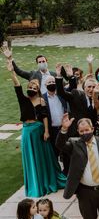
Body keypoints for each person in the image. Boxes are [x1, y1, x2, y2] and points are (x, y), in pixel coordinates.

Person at [7, 61, 67, 197]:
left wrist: (46, 131)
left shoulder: (41, 101)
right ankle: (36, 183)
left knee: (44, 158)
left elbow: (45, 117)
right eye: (31, 86)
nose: (32, 88)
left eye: (35, 87)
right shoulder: (22, 99)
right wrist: (12, 71)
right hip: (27, 131)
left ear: (39, 88)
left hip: (39, 131)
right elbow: (16, 85)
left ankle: (48, 180)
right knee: (31, 158)